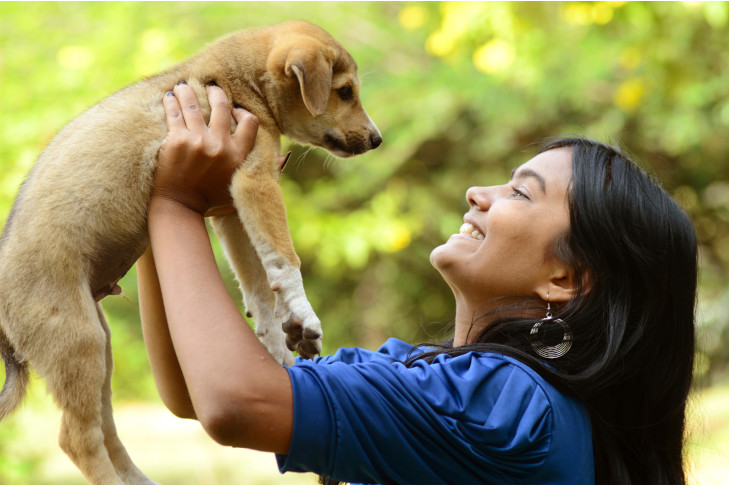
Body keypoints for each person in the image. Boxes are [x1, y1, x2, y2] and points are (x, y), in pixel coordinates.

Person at [138, 82, 697, 484]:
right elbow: (195, 390)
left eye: (521, 193)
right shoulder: (429, 378)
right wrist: (154, 221)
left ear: (566, 279)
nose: (480, 193)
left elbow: (236, 401)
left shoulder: (508, 406)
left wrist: (175, 199)